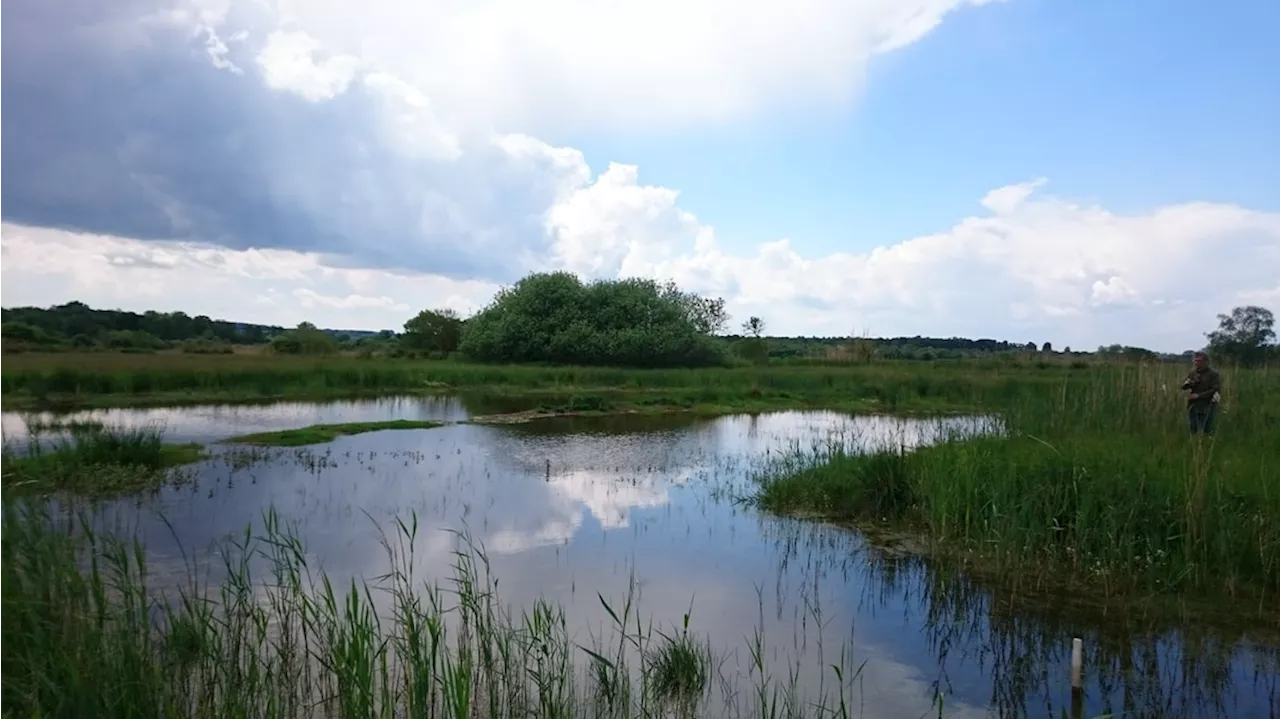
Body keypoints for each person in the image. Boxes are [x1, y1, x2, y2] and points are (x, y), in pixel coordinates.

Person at [1181, 351, 1221, 435]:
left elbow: (1215, 389)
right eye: (1195, 361)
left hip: (1207, 405)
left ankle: (1205, 444)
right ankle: (1194, 444)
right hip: (1193, 404)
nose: (1196, 363)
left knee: (1206, 429)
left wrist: (1198, 396)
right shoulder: (1192, 373)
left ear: (1206, 362)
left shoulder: (1213, 374)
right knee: (1193, 428)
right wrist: (1189, 384)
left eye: (1199, 361)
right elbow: (1184, 387)